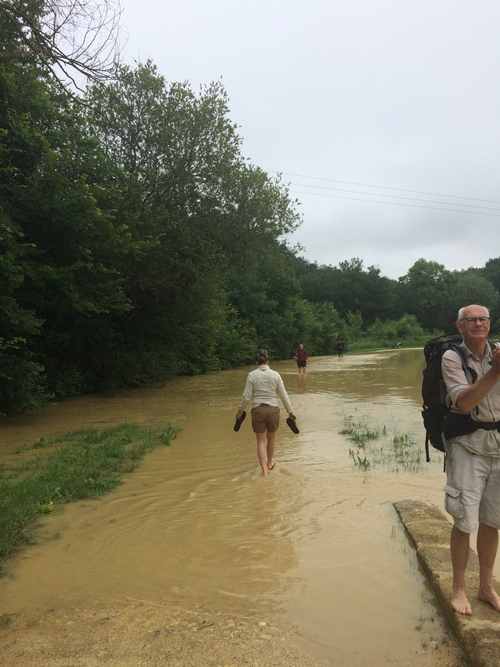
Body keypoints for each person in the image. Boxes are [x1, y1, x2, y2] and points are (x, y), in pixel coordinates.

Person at [442, 304, 500, 615]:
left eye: (483, 319)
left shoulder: (499, 352)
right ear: (460, 325)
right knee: (464, 521)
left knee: (493, 521)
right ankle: (459, 589)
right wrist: (495, 372)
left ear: (489, 324)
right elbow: (463, 402)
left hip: (498, 445)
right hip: (467, 446)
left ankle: (486, 587)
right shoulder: (452, 358)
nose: (478, 323)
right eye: (471, 320)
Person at [235, 349, 295, 477]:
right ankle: (269, 463)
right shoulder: (276, 375)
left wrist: (240, 411)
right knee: (271, 438)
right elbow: (284, 395)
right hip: (273, 410)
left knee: (261, 441)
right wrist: (291, 412)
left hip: (258, 410)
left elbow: (246, 397)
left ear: (257, 361)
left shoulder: (252, 375)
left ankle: (264, 471)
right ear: (268, 360)